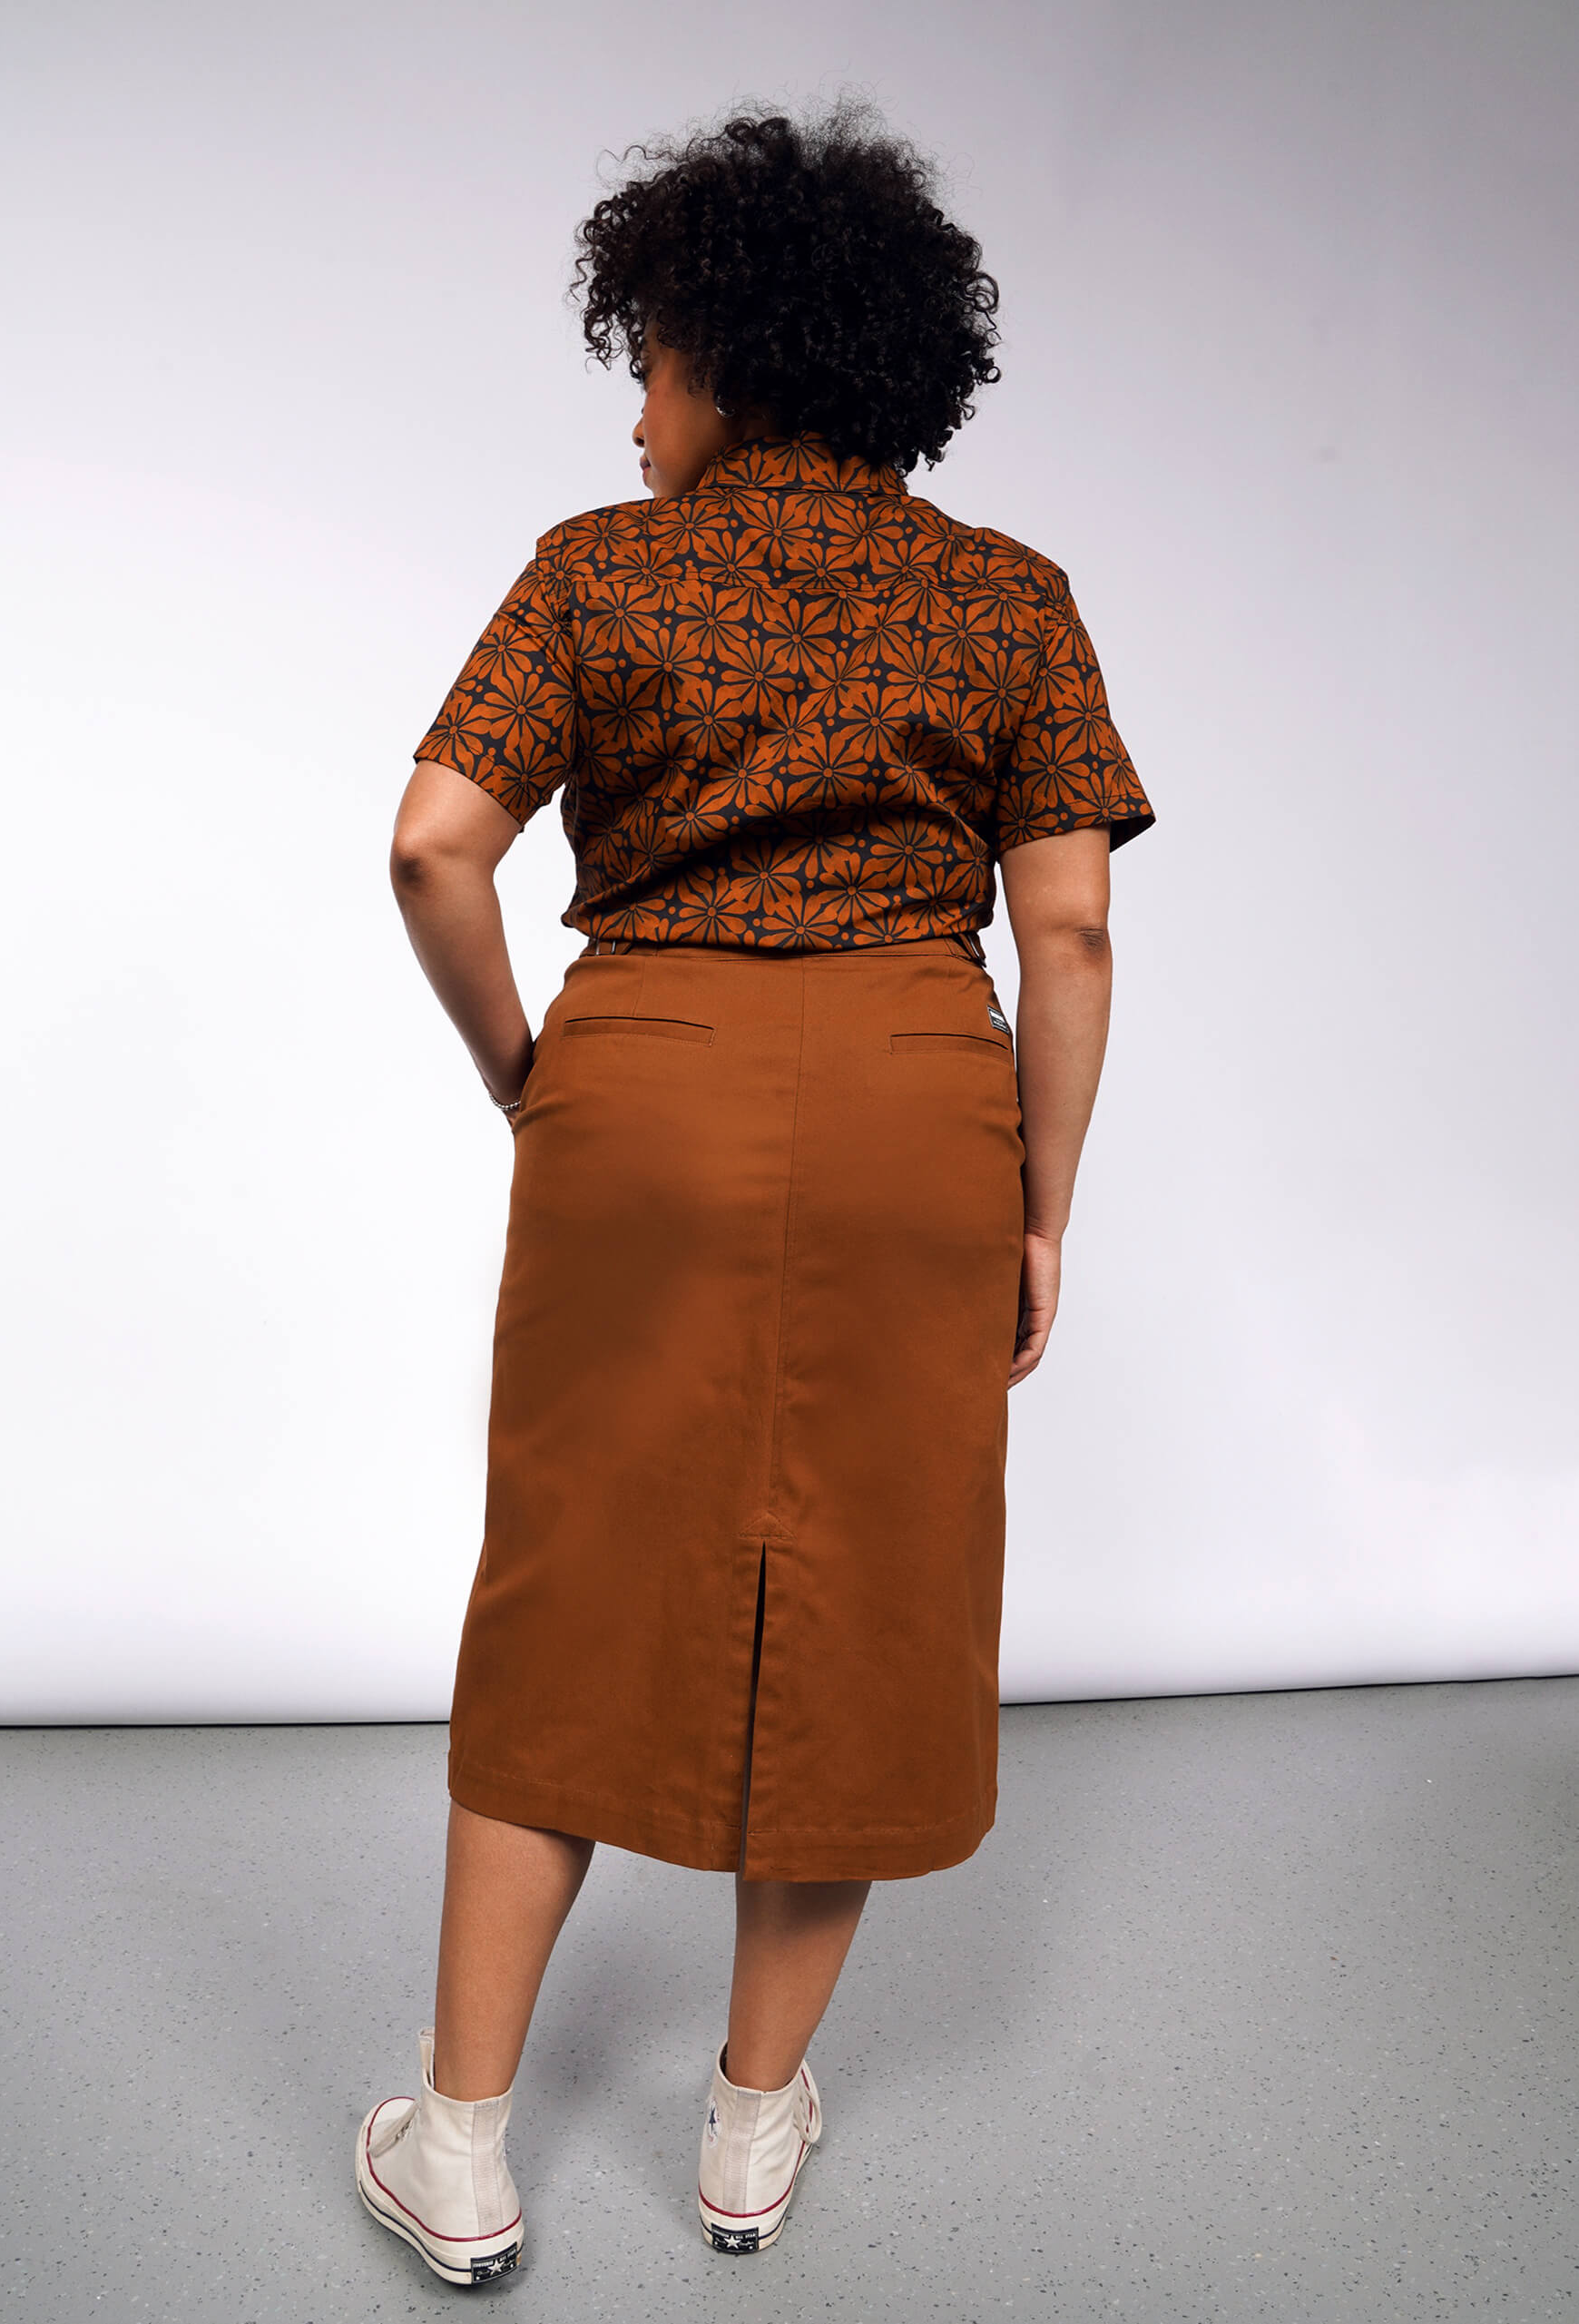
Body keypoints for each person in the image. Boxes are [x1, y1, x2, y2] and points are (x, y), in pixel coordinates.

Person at [354, 98, 1153, 2285]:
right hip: (916, 1097)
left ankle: (462, 2135)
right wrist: (1039, 1198)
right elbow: (1068, 933)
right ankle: (744, 2126)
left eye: (654, 361)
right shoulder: (1012, 599)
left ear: (724, 349)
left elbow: (437, 839)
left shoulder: (602, 571)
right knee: (869, 1598)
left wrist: (532, 1070)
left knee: (573, 1572)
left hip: (647, 1088)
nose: (635, 415)